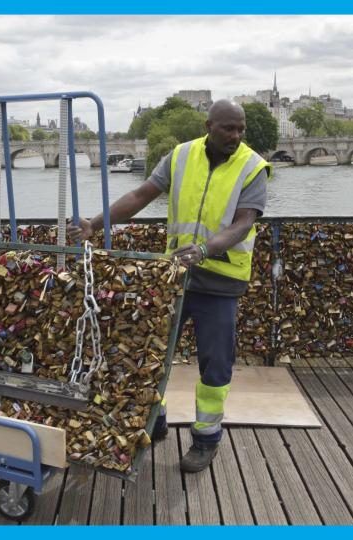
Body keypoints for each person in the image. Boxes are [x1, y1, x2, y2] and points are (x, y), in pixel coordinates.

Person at [68, 100, 270, 472]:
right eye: (228, 128)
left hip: (221, 282)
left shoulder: (253, 166)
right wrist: (95, 225)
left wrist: (207, 249)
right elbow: (140, 196)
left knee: (215, 365)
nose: (236, 136)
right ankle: (152, 421)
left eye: (240, 129)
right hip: (176, 276)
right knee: (153, 354)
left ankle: (206, 439)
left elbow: (244, 224)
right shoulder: (179, 156)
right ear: (209, 125)